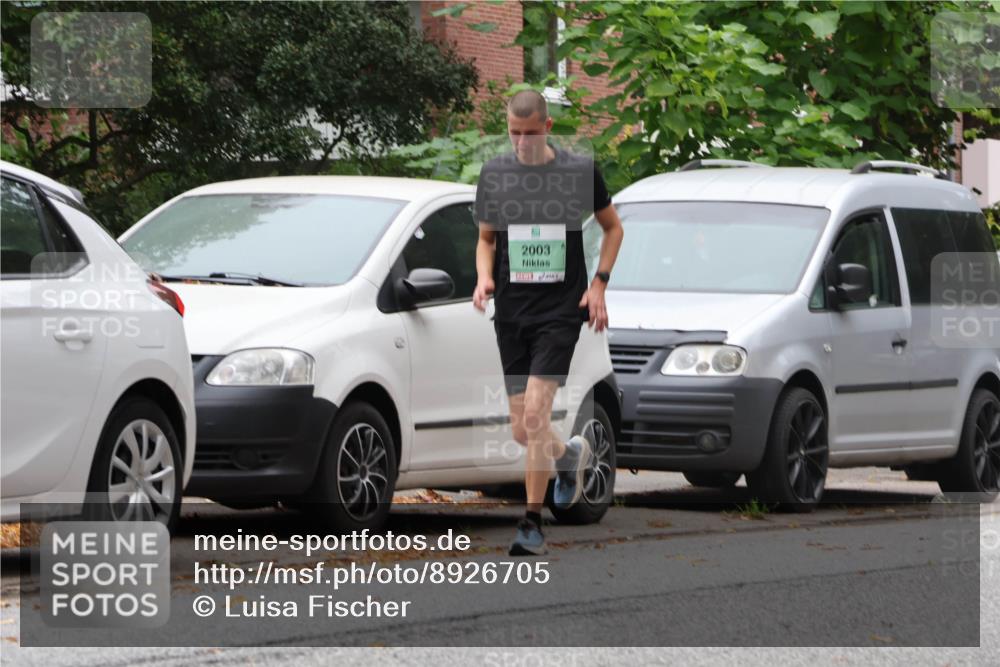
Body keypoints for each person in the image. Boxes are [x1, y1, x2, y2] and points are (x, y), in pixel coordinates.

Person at [473, 89, 624, 556]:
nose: (521, 143)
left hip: (560, 313)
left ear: (548, 128)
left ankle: (532, 523)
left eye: (530, 134)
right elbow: (485, 240)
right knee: (523, 430)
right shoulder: (496, 174)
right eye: (513, 134)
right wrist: (483, 277)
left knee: (537, 416)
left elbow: (613, 228)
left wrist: (598, 285)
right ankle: (569, 455)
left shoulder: (578, 172)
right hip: (512, 314)